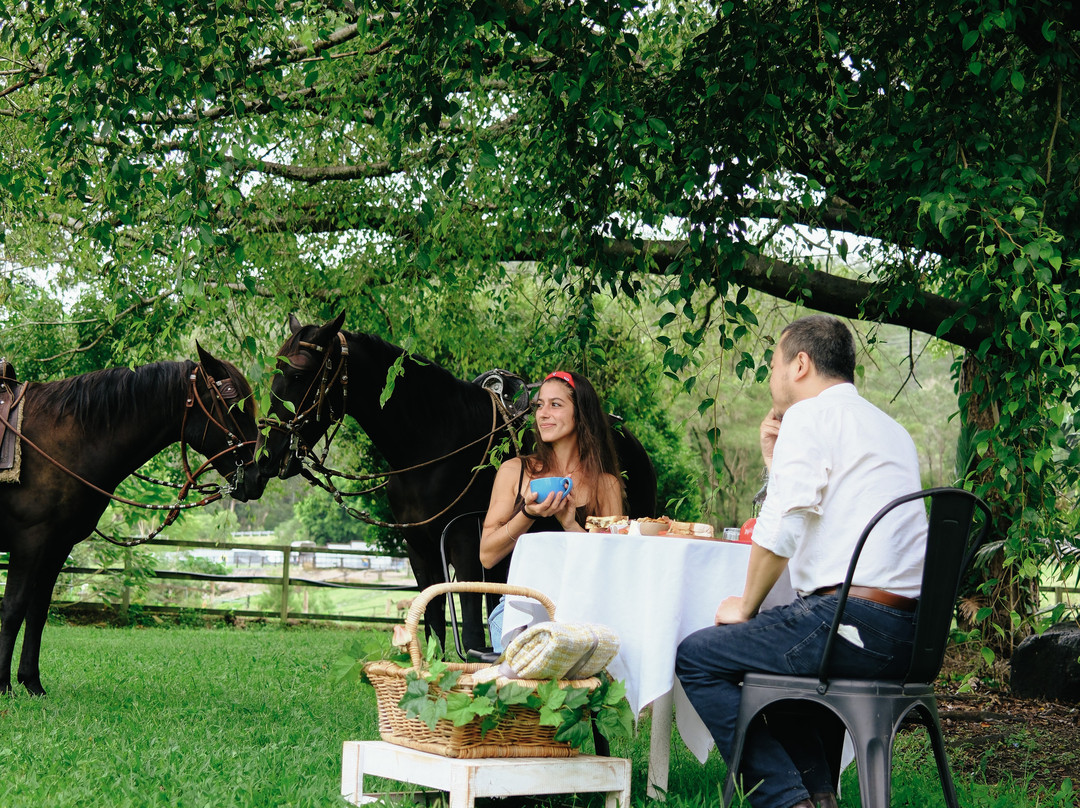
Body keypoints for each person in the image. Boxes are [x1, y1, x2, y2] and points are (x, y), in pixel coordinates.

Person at [675, 315, 928, 808]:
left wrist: (744, 606)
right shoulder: (891, 429)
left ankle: (787, 801)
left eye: (773, 364)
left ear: (801, 364)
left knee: (699, 657)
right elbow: (825, 514)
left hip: (848, 626)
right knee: (787, 649)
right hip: (906, 638)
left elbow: (782, 528)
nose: (772, 376)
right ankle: (818, 796)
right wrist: (775, 465)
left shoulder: (810, 416)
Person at [479, 370, 625, 647]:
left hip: (584, 612)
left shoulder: (605, 486)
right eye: (539, 405)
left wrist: (571, 526)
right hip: (519, 612)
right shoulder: (515, 472)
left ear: (581, 413)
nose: (543, 413)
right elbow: (487, 555)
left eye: (555, 404)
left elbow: (613, 568)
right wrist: (528, 514)